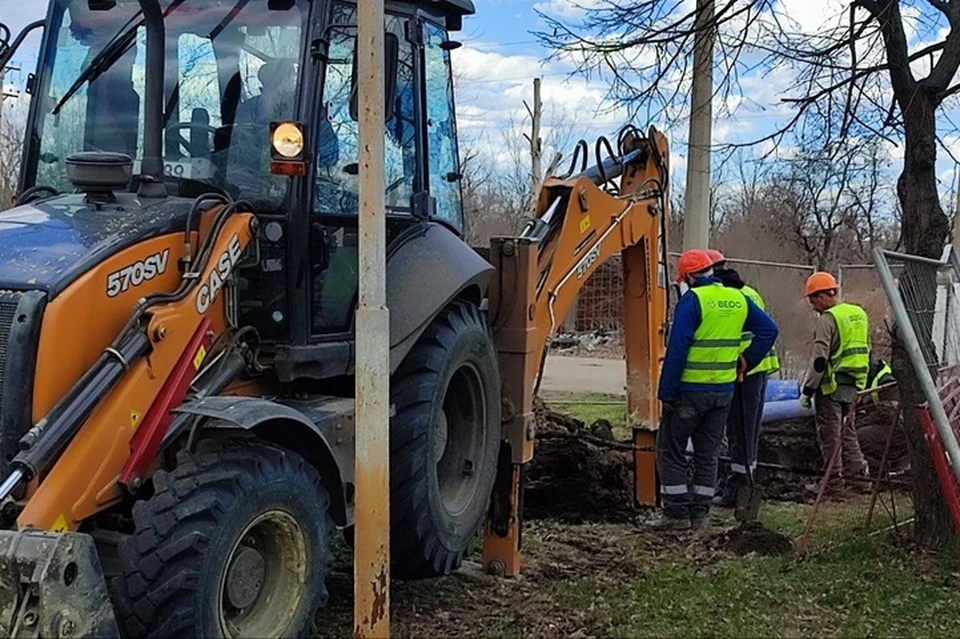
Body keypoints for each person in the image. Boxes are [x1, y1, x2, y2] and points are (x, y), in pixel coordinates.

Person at [653, 249, 779, 530]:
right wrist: (746, 360)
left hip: (689, 391)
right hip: (723, 392)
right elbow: (769, 330)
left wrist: (666, 393)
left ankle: (676, 515)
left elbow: (677, 349)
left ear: (686, 277)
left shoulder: (693, 300)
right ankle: (699, 515)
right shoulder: (738, 297)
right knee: (707, 455)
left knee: (670, 450)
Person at [703, 250, 781, 508]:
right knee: (744, 430)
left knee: (741, 430)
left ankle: (740, 487)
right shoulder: (749, 292)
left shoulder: (729, 296)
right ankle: (741, 482)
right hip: (753, 369)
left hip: (744, 370)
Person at [799, 272, 872, 494]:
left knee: (830, 434)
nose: (812, 306)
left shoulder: (828, 318)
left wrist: (808, 389)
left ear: (823, 295)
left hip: (830, 385)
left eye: (813, 299)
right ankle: (860, 479)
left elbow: (820, 360)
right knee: (848, 431)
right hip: (855, 383)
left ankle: (832, 484)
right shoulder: (858, 312)